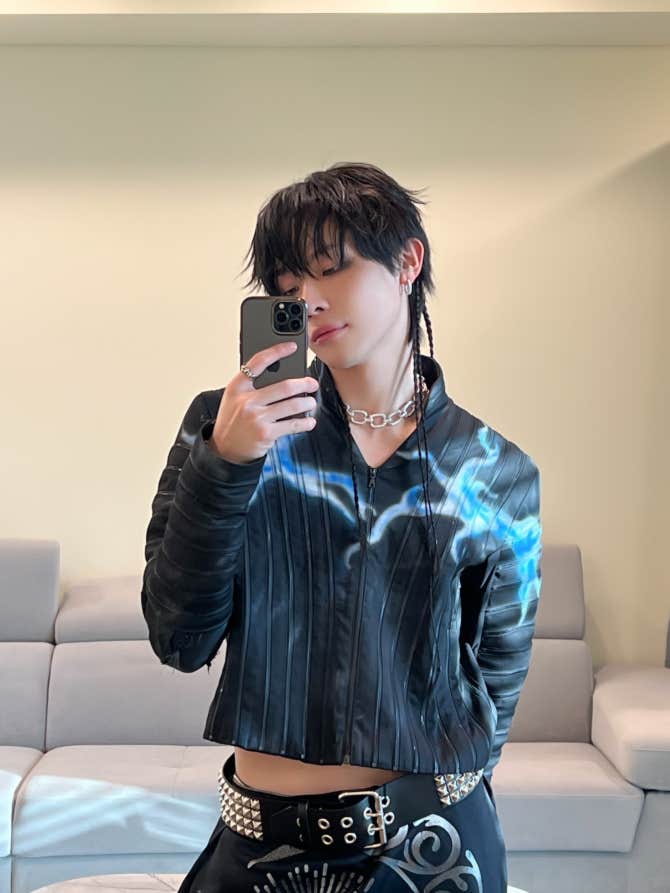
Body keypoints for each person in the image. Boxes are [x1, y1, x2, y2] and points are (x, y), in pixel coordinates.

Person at [141, 161, 543, 892]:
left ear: (407, 262)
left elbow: (497, 681)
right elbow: (178, 637)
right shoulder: (224, 428)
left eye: (332, 268)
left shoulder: (495, 469)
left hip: (433, 849)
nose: (310, 300)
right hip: (260, 849)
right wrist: (226, 464)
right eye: (288, 285)